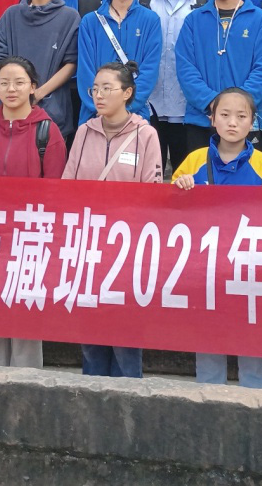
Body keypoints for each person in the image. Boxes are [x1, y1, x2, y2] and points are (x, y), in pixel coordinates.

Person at [0, 57, 67, 369]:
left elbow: (57, 194)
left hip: (29, 242)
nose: (11, 89)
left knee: (25, 321)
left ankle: (27, 388)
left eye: (19, 82)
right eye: (3, 83)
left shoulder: (48, 132)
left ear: (33, 87)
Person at [172, 88, 262, 389]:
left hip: (250, 268)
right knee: (208, 342)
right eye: (225, 115)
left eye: (241, 116)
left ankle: (256, 404)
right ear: (212, 119)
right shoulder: (194, 161)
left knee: (253, 342)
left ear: (253, 121)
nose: (232, 122)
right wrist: (179, 187)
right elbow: (170, 213)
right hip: (206, 268)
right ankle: (209, 401)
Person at [63, 62, 162, 378]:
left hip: (126, 251)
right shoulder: (84, 132)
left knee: (124, 339)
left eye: (107, 88)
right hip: (88, 247)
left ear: (128, 92)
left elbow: (153, 193)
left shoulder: (146, 135)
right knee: (90, 339)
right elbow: (68, 185)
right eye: (95, 89)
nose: (99, 95)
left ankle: (128, 402)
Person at [175, 0, 262, 153]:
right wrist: (213, 103)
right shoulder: (194, 20)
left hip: (244, 119)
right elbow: (186, 68)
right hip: (202, 118)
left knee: (244, 173)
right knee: (201, 172)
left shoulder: (260, 20)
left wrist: (234, 108)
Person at [0, 0, 79, 142]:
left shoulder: (69, 17)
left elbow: (71, 63)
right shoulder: (11, 14)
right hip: (10, 108)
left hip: (52, 109)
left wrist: (38, 93)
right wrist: (17, 90)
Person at [143, 0, 207, 174]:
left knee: (188, 175)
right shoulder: (144, 2)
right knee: (150, 174)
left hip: (188, 104)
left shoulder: (203, 2)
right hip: (150, 102)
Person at [75, 0, 162, 125]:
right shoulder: (90, 21)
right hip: (94, 114)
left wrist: (126, 109)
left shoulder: (150, 20)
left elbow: (150, 70)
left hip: (135, 115)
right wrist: (98, 107)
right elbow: (85, 70)